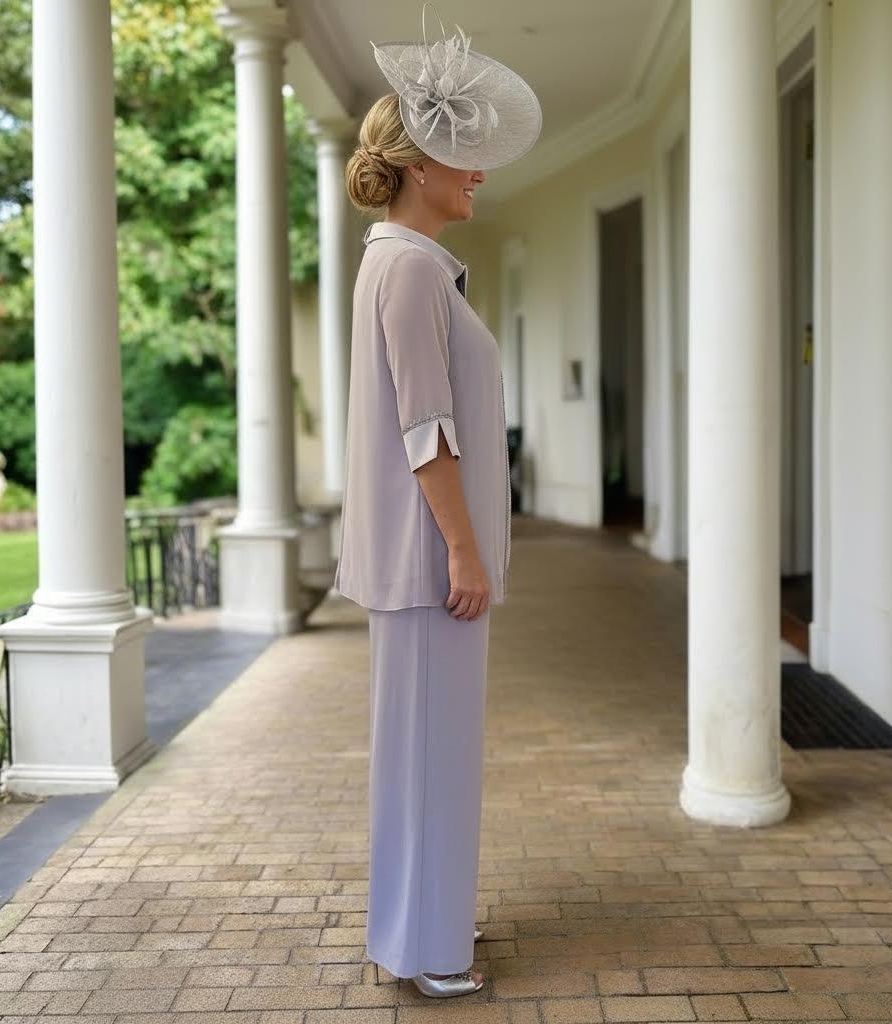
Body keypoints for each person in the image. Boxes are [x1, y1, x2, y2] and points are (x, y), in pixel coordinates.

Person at [333, 3, 542, 999]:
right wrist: (464, 552)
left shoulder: (402, 265)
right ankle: (422, 951)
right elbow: (428, 432)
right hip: (429, 568)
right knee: (429, 759)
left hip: (425, 564)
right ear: (419, 168)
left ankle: (417, 935)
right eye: (462, 156)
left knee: (427, 757)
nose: (477, 172)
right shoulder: (410, 270)